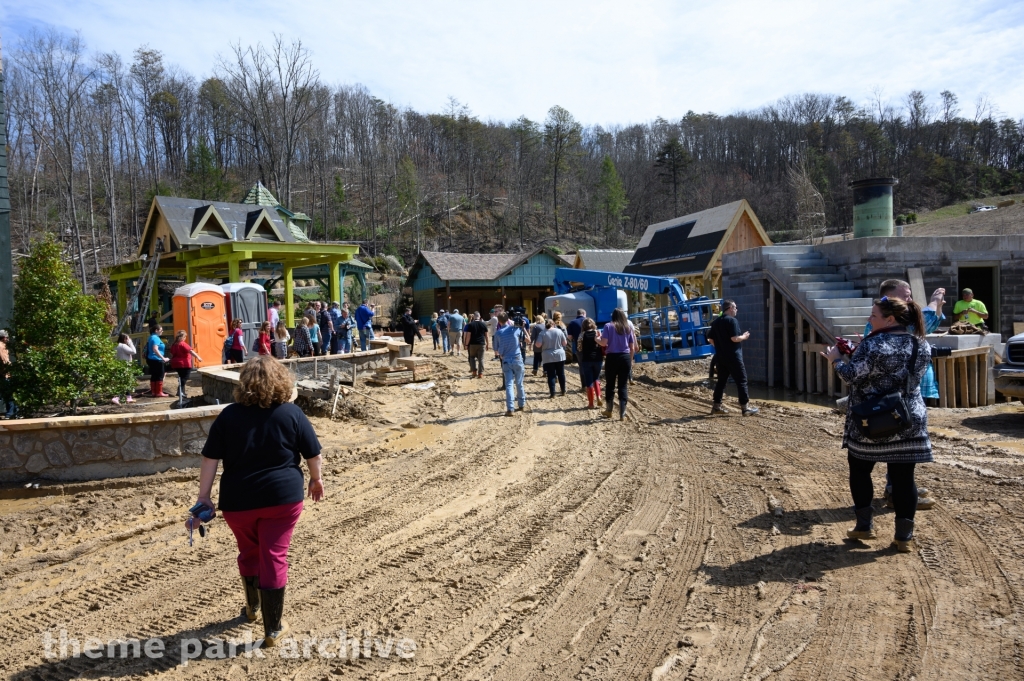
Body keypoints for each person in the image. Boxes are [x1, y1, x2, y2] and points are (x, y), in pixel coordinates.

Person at [192, 355, 324, 646]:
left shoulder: (228, 415)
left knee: (249, 552)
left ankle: (252, 609)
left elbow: (209, 458)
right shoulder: (292, 413)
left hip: (238, 501)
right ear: (282, 381)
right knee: (273, 556)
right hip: (282, 499)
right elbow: (313, 454)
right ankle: (273, 627)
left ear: (244, 383)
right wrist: (316, 479)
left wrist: (204, 496)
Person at [824, 297, 932, 552]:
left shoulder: (872, 344)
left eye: (873, 315)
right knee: (904, 478)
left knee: (860, 470)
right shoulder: (921, 343)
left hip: (871, 419)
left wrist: (836, 358)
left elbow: (851, 376)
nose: (869, 319)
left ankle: (864, 526)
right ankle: (903, 537)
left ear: (889, 319)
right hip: (908, 418)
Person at [708, 300, 759, 416]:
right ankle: (745, 408)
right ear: (730, 308)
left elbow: (710, 339)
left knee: (721, 381)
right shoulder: (732, 321)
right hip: (733, 356)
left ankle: (716, 406)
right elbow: (734, 338)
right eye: (735, 307)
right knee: (741, 380)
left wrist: (721, 346)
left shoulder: (716, 322)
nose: (737, 309)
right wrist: (744, 337)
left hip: (720, 357)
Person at [597, 309, 637, 421]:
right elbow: (632, 347)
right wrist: (630, 360)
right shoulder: (627, 328)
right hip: (625, 357)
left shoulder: (608, 326)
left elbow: (604, 343)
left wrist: (596, 339)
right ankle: (622, 413)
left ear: (613, 316)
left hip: (612, 358)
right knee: (623, 385)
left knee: (610, 385)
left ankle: (609, 410)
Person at [493, 312, 529, 416]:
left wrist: (501, 353)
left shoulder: (498, 333)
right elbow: (528, 340)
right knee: (519, 383)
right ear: (508, 319)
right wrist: (523, 328)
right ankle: (521, 404)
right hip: (517, 358)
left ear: (499, 321)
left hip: (506, 360)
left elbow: (496, 351)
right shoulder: (516, 329)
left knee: (509, 384)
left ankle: (510, 409)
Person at [577, 318, 605, 409]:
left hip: (586, 359)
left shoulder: (582, 335)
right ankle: (599, 396)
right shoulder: (597, 332)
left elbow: (579, 348)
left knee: (589, 381)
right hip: (598, 359)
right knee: (596, 378)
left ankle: (591, 403)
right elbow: (602, 343)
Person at [169, 330, 203, 400]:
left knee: (181, 377)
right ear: (182, 337)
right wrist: (198, 357)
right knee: (184, 378)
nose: (185, 338)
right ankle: (180, 391)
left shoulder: (174, 344)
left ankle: (182, 392)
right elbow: (190, 351)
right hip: (184, 364)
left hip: (176, 363)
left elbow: (171, 352)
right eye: (185, 337)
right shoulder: (183, 344)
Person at [539, 319, 568, 398]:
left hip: (548, 356)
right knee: (561, 373)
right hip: (559, 355)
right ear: (553, 324)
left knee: (551, 375)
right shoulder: (559, 331)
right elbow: (565, 343)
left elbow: (538, 345)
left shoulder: (542, 333)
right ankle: (563, 391)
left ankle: (553, 393)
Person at [112, 333, 136, 405]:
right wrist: (130, 343)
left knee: (124, 382)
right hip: (125, 366)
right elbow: (134, 351)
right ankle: (116, 398)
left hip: (119, 365)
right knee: (124, 382)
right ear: (125, 339)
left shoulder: (116, 345)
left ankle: (129, 397)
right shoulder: (123, 345)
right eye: (128, 338)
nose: (128, 340)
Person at [146, 325, 171, 397]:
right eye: (161, 330)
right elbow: (155, 349)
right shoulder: (156, 338)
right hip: (157, 359)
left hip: (151, 359)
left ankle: (154, 392)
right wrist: (163, 358)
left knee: (154, 375)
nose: (162, 331)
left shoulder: (150, 337)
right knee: (160, 375)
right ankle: (159, 392)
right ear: (156, 330)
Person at [463, 312, 490, 378]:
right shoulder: (483, 324)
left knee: (472, 357)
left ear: (474, 317)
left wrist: (466, 344)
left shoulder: (470, 325)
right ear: (480, 316)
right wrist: (487, 344)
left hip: (472, 344)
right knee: (481, 359)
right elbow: (487, 336)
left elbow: (468, 336)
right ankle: (480, 373)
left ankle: (474, 371)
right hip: (481, 343)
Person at [566, 309, 587, 389]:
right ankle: (592, 385)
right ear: (584, 314)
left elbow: (569, 337)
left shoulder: (572, 322)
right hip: (590, 347)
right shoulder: (588, 321)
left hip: (579, 347)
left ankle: (584, 385)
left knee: (581, 366)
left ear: (577, 314)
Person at [0, 330, 16, 417]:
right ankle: (10, 413)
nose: (8, 339)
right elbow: (4, 360)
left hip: (3, 373)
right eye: (7, 337)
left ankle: (13, 412)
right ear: (3, 338)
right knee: (8, 393)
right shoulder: (1, 346)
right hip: (3, 373)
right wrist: (11, 368)